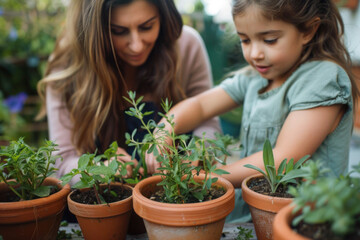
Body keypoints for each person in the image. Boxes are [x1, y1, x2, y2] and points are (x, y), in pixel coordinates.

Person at [145, 0, 360, 222]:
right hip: (249, 218)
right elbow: (200, 106)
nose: (255, 53)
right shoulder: (255, 79)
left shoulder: (323, 79)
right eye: (245, 40)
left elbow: (284, 157)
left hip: (304, 221)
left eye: (269, 40)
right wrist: (164, 130)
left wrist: (208, 176)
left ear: (308, 30)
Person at [36, 0, 221, 185]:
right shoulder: (68, 65)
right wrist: (101, 170)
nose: (136, 46)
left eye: (147, 27)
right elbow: (61, 163)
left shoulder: (187, 46)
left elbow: (209, 124)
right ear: (95, 30)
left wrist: (196, 156)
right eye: (118, 31)